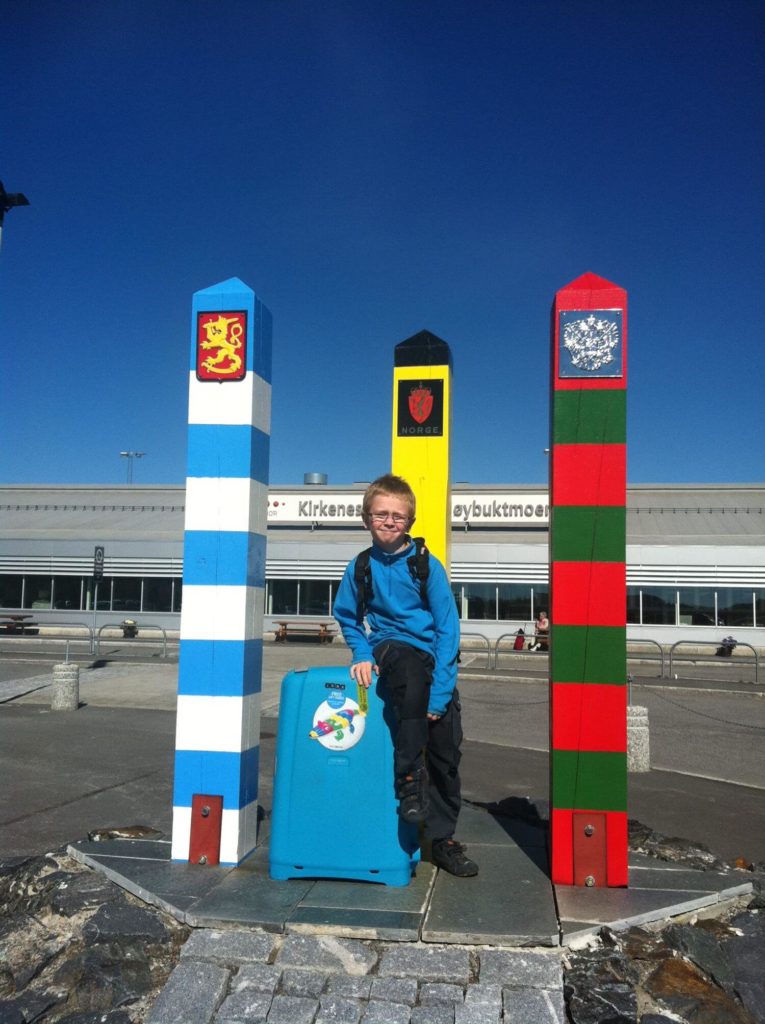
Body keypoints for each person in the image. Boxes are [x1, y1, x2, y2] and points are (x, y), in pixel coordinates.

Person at [333, 473, 478, 877]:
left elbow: (448, 630)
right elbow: (346, 615)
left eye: (398, 515)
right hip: (390, 646)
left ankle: (443, 839)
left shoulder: (426, 566)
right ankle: (409, 779)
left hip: (433, 660)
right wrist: (362, 651)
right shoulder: (360, 566)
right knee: (410, 671)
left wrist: (442, 695)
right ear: (366, 519)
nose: (389, 521)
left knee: (447, 754)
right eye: (381, 514)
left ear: (409, 522)